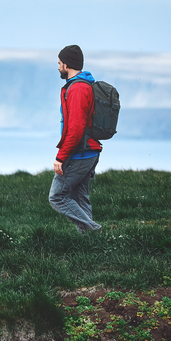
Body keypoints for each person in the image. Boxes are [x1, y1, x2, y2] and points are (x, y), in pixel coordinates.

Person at [49, 44, 102, 233]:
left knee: (57, 197)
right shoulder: (82, 85)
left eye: (59, 63)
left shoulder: (78, 89)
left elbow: (76, 128)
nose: (58, 67)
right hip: (89, 150)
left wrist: (61, 157)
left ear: (67, 65)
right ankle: (90, 242)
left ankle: (94, 229)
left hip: (80, 152)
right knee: (80, 198)